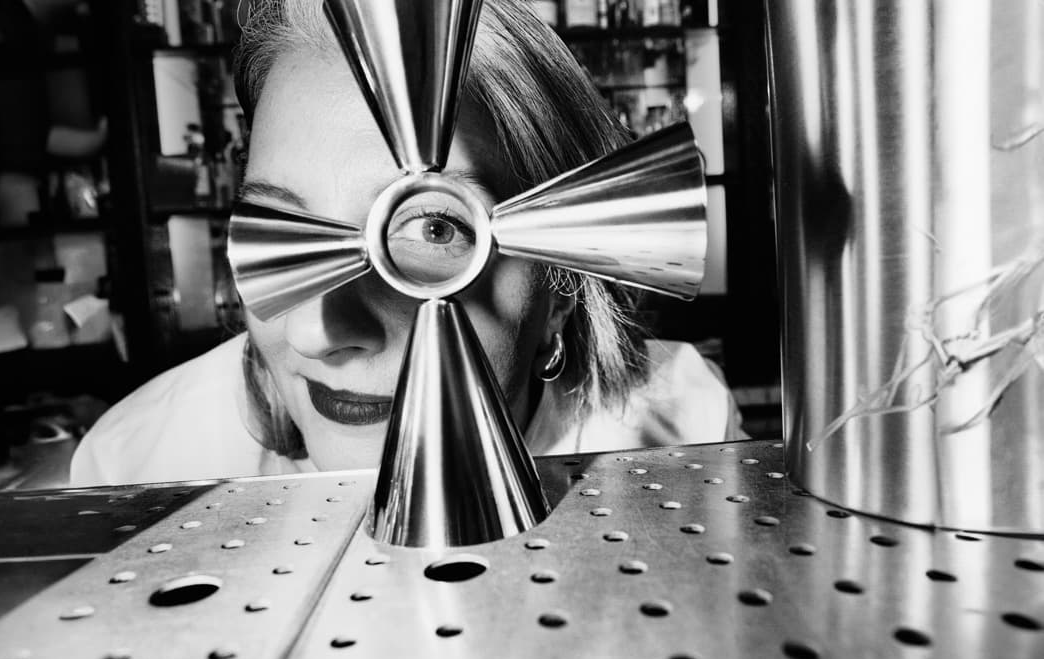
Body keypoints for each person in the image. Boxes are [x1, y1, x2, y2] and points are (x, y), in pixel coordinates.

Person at [70, 0, 743, 487]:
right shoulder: (136, 466)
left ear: (561, 283)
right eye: (283, 231)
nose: (314, 330)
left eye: (434, 227)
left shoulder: (685, 431)